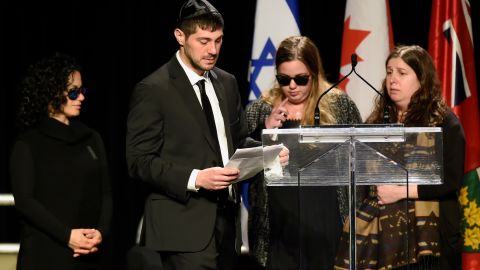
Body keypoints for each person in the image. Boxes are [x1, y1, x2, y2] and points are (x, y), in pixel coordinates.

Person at [125, 0, 282, 269]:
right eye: (204, 40)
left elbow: (239, 141)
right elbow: (139, 161)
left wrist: (269, 153)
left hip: (228, 226)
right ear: (180, 37)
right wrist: (196, 178)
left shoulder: (227, 82)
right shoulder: (153, 89)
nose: (213, 50)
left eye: (219, 41)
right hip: (182, 228)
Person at [335, 45, 465, 270]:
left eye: (402, 73)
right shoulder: (374, 125)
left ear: (422, 79)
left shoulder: (444, 123)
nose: (392, 79)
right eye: (389, 72)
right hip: (380, 240)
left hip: (432, 242)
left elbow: (451, 180)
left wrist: (400, 192)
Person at [246, 36, 362, 269]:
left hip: (326, 219)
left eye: (300, 79)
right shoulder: (261, 108)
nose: (292, 86)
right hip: (278, 224)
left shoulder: (339, 105)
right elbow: (242, 161)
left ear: (314, 72)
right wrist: (265, 130)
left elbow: (358, 159)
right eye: (284, 79)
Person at [9, 53, 112, 270]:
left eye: (82, 90)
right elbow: (25, 201)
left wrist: (100, 233)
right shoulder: (28, 144)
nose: (81, 97)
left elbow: (106, 194)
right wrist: (67, 236)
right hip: (46, 254)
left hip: (88, 253)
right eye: (73, 92)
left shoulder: (91, 138)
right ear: (51, 93)